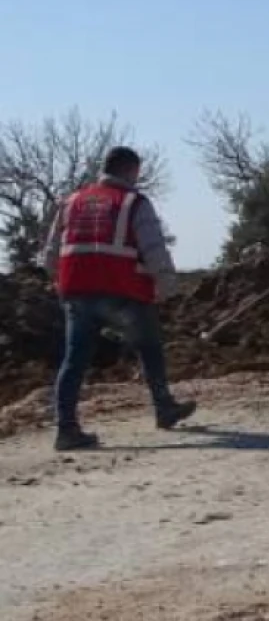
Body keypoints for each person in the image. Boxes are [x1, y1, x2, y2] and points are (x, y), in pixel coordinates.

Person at [40, 146, 196, 451]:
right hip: (123, 291)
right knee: (149, 347)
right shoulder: (133, 203)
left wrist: (57, 278)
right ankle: (164, 407)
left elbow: (50, 254)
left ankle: (66, 429)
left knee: (74, 360)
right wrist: (167, 286)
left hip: (77, 291)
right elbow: (153, 248)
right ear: (131, 170)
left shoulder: (72, 201)